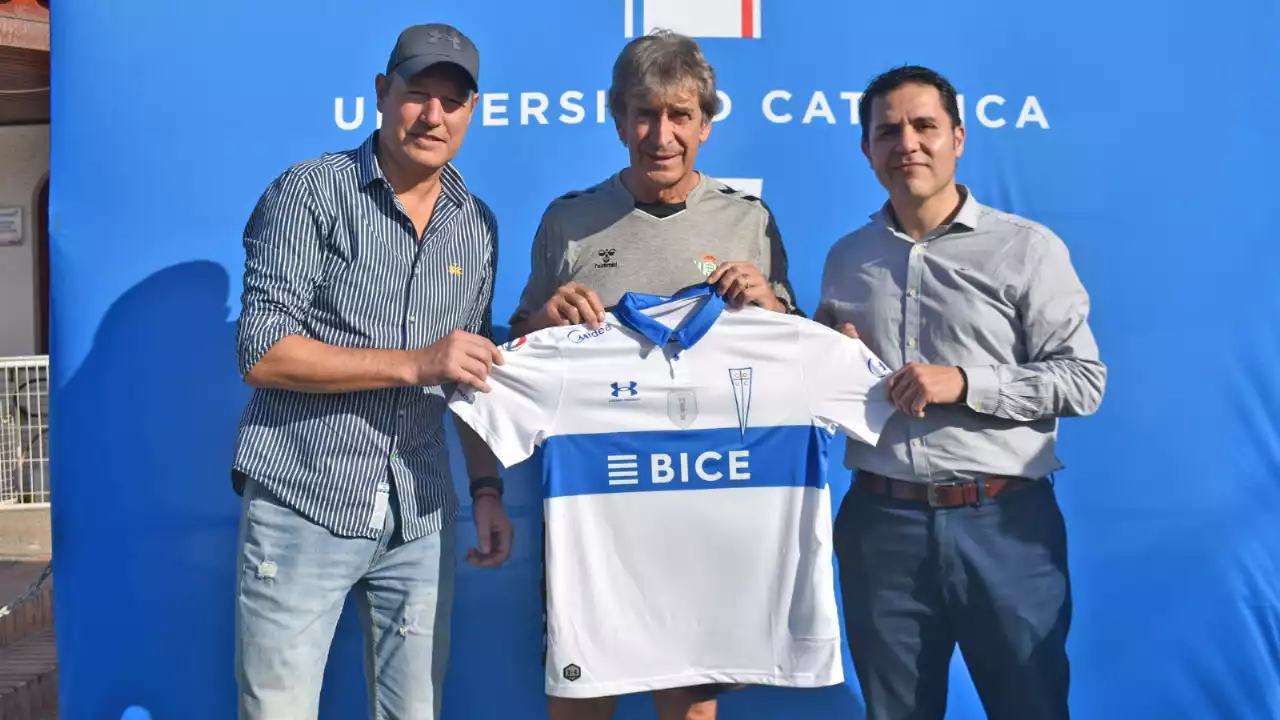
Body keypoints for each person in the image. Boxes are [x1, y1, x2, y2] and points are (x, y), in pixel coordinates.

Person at [507, 29, 803, 720]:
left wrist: (768, 304)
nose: (660, 133)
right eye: (643, 113)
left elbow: (793, 350)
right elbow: (519, 349)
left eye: (678, 115)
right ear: (617, 119)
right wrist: (543, 320)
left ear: (705, 122)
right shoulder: (570, 219)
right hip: (591, 507)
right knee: (582, 696)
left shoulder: (748, 221)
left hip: (704, 500)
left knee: (691, 706)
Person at [230, 23, 513, 720]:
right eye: (419, 95)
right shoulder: (311, 193)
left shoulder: (476, 225)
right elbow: (261, 351)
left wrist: (485, 489)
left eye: (453, 102)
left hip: (419, 513)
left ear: (472, 113)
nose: (434, 116)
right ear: (384, 94)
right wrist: (418, 363)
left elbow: (466, 374)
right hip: (304, 499)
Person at [817, 65, 1106, 720]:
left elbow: (1084, 380)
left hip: (1002, 524)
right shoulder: (847, 259)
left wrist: (967, 383)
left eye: (924, 126)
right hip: (881, 528)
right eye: (887, 132)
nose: (907, 144)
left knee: (1029, 706)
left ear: (959, 137)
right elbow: (835, 382)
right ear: (866, 151)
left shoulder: (1025, 250)